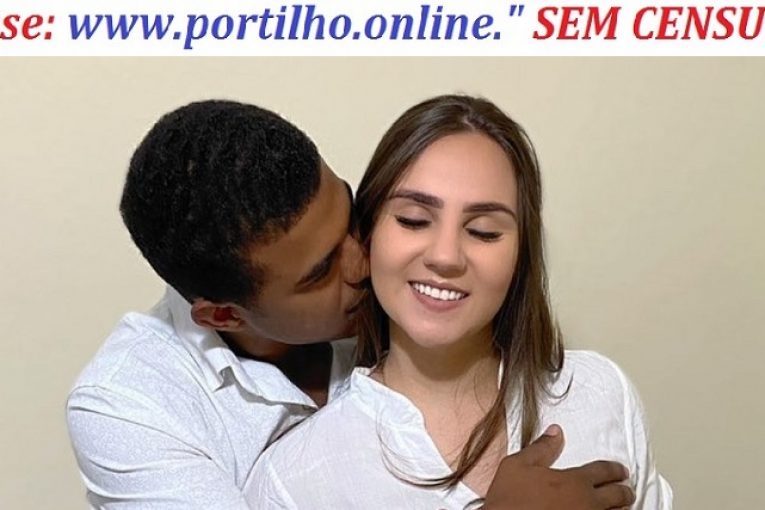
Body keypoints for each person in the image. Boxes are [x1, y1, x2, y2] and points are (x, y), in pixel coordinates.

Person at [67, 99, 637, 509]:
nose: (363, 263)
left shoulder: (595, 391)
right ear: (225, 316)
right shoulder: (128, 407)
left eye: (351, 217)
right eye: (322, 272)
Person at [244, 95, 673, 509]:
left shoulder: (601, 393)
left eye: (484, 231)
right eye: (414, 220)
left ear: (520, 254)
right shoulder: (293, 482)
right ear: (369, 233)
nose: (445, 256)